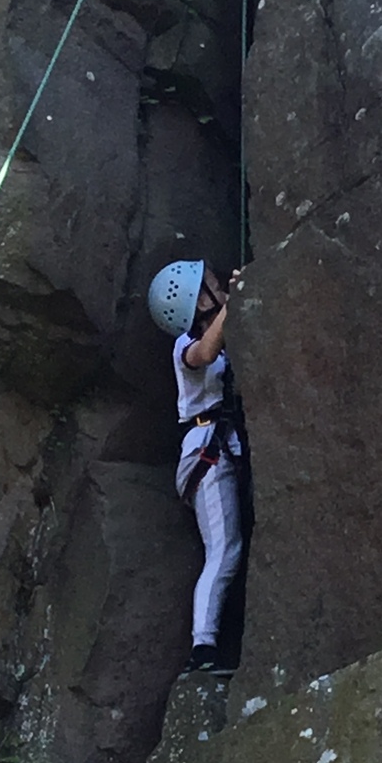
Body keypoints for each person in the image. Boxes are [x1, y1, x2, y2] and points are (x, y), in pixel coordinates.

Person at [147, 260, 247, 672]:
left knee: (230, 547)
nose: (219, 284)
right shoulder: (184, 347)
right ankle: (202, 647)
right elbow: (204, 353)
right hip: (206, 452)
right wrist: (236, 301)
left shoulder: (224, 332)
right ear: (196, 299)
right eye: (211, 283)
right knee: (223, 549)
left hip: (222, 447)